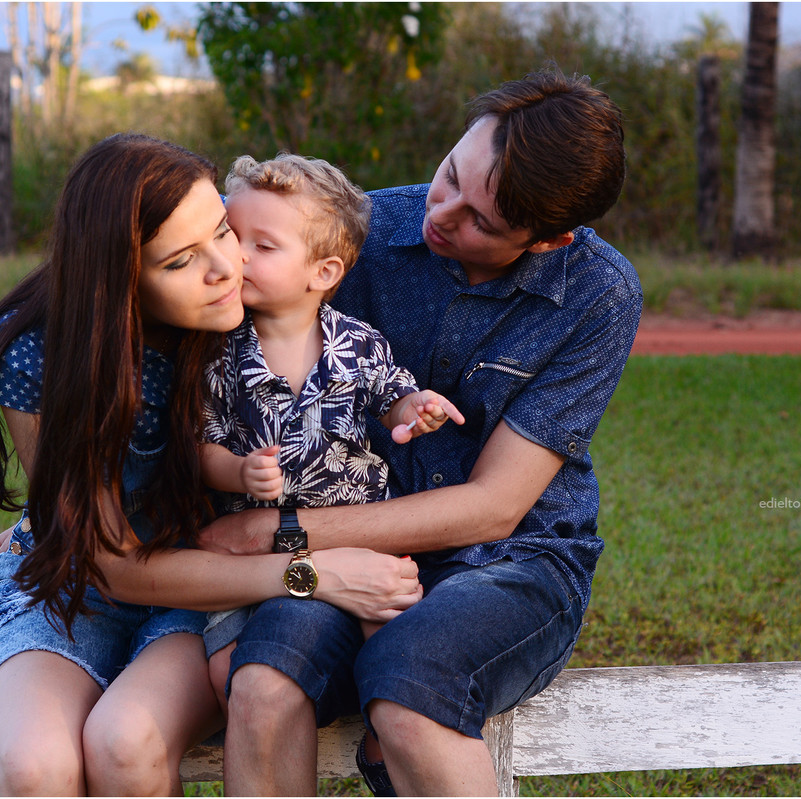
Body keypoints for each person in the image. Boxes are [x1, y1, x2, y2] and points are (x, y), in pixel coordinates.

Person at [201, 68, 642, 796]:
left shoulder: (598, 293)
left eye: (483, 222)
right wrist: (56, 506)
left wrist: (277, 533)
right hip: (352, 551)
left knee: (410, 683)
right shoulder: (355, 236)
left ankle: (394, 745)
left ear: (547, 239)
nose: (444, 213)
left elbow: (494, 505)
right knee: (262, 683)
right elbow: (186, 259)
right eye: (451, 176)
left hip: (512, 560)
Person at [0, 133, 422, 796]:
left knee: (126, 740)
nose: (225, 268)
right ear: (119, 278)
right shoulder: (38, 353)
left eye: (224, 232)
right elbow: (104, 554)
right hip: (77, 584)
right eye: (180, 261)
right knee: (36, 767)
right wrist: (310, 572)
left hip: (200, 592)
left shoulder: (247, 321)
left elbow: (314, 225)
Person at [197, 153, 465, 699]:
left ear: (323, 273)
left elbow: (391, 397)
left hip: (354, 533)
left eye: (263, 246)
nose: (236, 257)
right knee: (227, 669)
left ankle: (384, 727)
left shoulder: (357, 342)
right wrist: (240, 472)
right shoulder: (215, 351)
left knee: (394, 647)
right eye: (232, 236)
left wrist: (415, 409)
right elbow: (199, 448)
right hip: (250, 548)